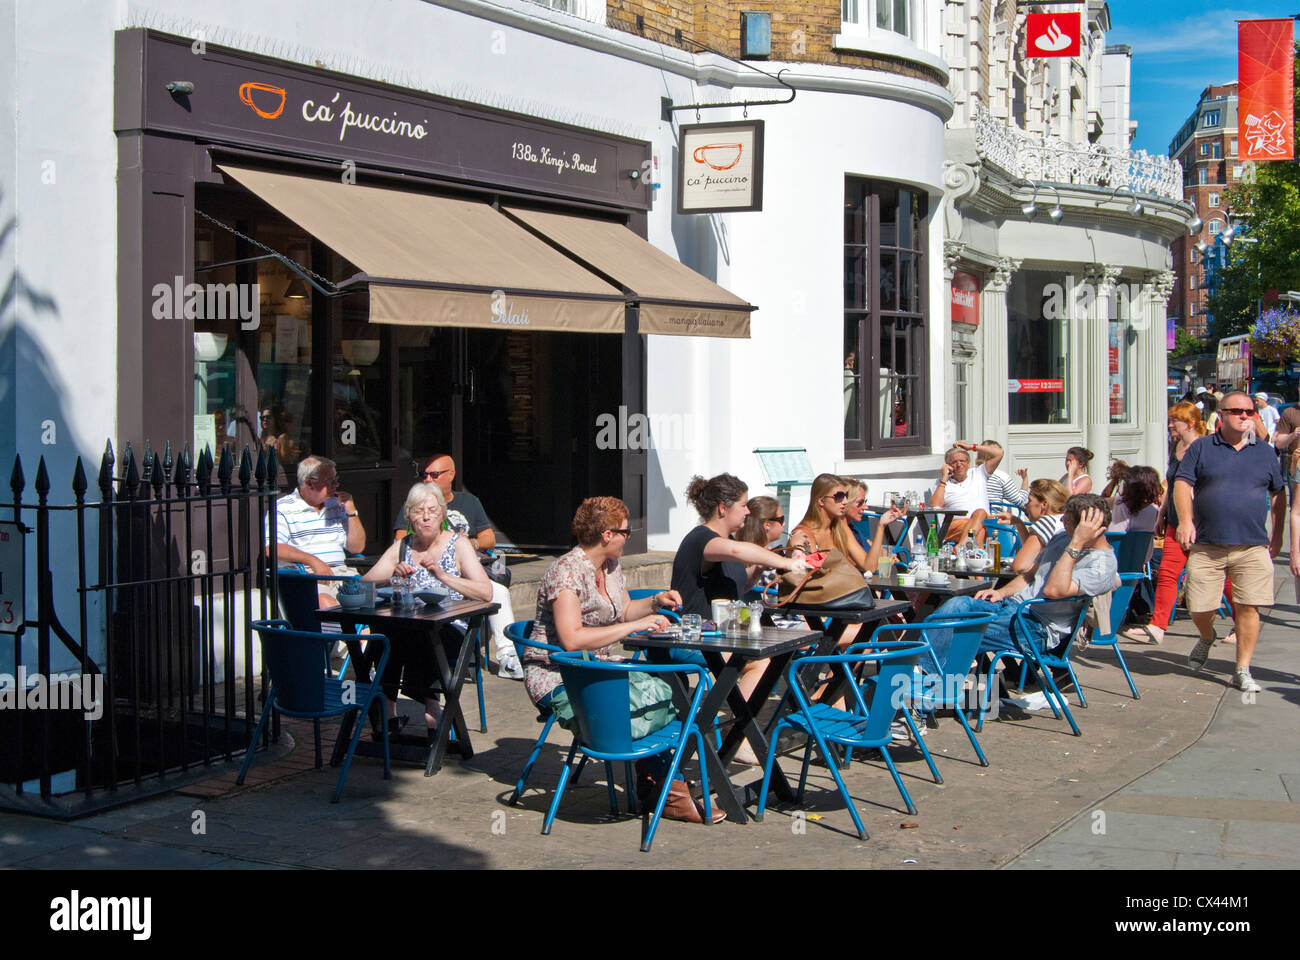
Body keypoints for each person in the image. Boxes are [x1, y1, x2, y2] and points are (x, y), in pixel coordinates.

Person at [522, 497, 721, 824]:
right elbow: (571, 638)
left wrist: (655, 602)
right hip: (561, 675)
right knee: (651, 698)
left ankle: (656, 778)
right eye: (626, 532)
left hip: (598, 667)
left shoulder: (610, 567)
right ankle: (669, 790)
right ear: (606, 535)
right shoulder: (566, 572)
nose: (629, 537)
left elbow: (625, 610)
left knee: (672, 687)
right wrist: (632, 627)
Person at [671, 474, 812, 763]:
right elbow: (736, 551)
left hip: (718, 636)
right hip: (693, 639)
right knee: (760, 660)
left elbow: (740, 586)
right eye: (744, 505)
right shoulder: (703, 539)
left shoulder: (726, 540)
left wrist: (759, 566)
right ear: (723, 508)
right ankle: (740, 736)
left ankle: (738, 732)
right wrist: (786, 561)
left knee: (774, 653)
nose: (748, 512)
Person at [923, 496, 1118, 673]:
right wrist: (1002, 592)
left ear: (1083, 528)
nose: (1062, 523)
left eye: (1066, 521)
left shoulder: (1102, 565)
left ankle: (925, 691)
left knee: (959, 632)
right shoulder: (1062, 538)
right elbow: (1030, 574)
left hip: (1038, 626)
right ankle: (922, 676)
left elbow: (1053, 590)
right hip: (1013, 606)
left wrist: (1075, 545)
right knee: (955, 606)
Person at [1174, 390, 1286, 694]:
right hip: (1208, 544)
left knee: (1249, 608)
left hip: (1251, 545)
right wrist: (1185, 520)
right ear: (1220, 415)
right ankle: (1206, 636)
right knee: (1199, 606)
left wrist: (1277, 536)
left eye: (1249, 412)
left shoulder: (1264, 451)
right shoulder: (1201, 448)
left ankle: (1242, 669)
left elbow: (1278, 494)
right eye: (1237, 411)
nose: (1244, 416)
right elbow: (1182, 483)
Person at [364, 483, 494, 741]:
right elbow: (365, 582)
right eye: (419, 511)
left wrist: (443, 576)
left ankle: (432, 712)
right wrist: (391, 577)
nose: (425, 516)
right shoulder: (403, 546)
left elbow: (485, 592)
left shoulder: (459, 545)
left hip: (450, 629)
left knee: (412, 638)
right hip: (409, 628)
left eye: (432, 510)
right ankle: (389, 715)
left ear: (443, 514)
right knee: (384, 636)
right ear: (409, 516)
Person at [397, 454, 522, 680]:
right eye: (424, 475)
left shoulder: (469, 502)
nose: (427, 480)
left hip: (468, 567)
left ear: (451, 475)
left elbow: (489, 539)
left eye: (434, 475)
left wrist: (466, 544)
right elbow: (400, 539)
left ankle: (508, 656)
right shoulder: (418, 502)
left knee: (499, 591)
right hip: (428, 570)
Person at [1120, 403, 1234, 645]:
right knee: (1168, 574)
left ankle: (1241, 620)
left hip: (1202, 524)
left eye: (1175, 420)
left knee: (1220, 578)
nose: (1170, 424)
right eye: (1170, 420)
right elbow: (1172, 483)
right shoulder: (1177, 447)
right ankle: (1158, 627)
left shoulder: (1207, 447)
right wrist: (1162, 512)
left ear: (1191, 423)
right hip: (1175, 522)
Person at [265, 456, 365, 609]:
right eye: (330, 481)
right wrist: (313, 561)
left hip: (344, 574)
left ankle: (364, 633)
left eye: (336, 479)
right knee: (327, 605)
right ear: (310, 483)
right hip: (309, 577)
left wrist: (352, 513)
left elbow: (356, 548)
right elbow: (272, 548)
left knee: (377, 604)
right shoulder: (284, 508)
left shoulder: (337, 504)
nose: (336, 484)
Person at [929, 441, 1003, 544]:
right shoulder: (943, 482)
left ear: (968, 463)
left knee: (980, 521)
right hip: (955, 526)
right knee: (980, 523)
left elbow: (999, 453)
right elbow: (935, 505)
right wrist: (944, 478)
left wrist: (971, 447)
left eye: (962, 461)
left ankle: (962, 547)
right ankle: (969, 550)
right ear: (948, 465)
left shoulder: (978, 473)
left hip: (984, 523)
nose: (959, 464)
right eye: (954, 462)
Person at [995, 479, 1068, 575]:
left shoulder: (1047, 523)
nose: (1025, 506)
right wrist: (1019, 524)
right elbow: (1031, 553)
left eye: (1029, 500)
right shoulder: (1063, 521)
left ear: (1044, 504)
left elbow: (1019, 566)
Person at [978, 440, 1030, 509]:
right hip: (993, 517)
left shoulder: (970, 474)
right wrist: (1025, 478)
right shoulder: (1001, 477)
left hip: (970, 518)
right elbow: (1020, 501)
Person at [1109, 466, 1162, 533]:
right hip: (1144, 543)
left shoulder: (1119, 502)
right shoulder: (1155, 511)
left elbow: (1101, 501)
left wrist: (1114, 480)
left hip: (1114, 543)